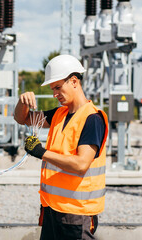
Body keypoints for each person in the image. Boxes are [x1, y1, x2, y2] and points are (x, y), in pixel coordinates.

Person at [14, 55, 109, 240]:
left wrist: (41, 152)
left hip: (76, 213)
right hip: (53, 208)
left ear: (74, 81)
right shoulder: (59, 114)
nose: (54, 94)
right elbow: (23, 118)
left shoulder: (92, 119)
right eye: (52, 89)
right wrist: (22, 102)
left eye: (58, 87)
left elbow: (81, 164)